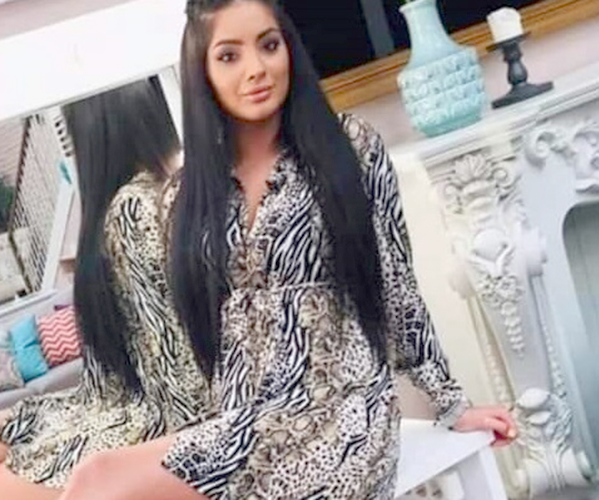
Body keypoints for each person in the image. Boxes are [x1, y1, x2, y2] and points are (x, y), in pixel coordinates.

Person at [56, 1, 518, 499]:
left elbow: (396, 285)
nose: (256, 69)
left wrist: (450, 402)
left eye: (269, 45)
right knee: (93, 476)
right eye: (229, 56)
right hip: (243, 422)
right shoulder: (185, 196)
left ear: (289, 50)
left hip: (339, 413)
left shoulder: (349, 147)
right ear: (201, 72)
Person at [0, 79, 212, 500]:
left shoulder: (113, 213)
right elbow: (167, 360)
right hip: (131, 409)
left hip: (131, 411)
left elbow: (169, 364)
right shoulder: (138, 205)